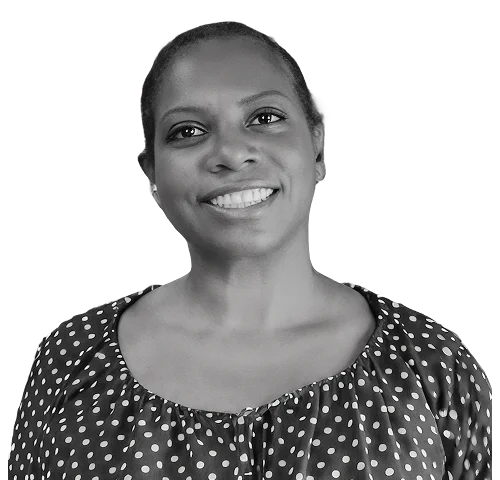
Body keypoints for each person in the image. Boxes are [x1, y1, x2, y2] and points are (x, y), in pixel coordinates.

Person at [8, 22, 492, 479]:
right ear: (152, 174)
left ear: (318, 146)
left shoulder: (430, 363)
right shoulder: (71, 359)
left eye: (265, 118)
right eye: (187, 131)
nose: (231, 153)